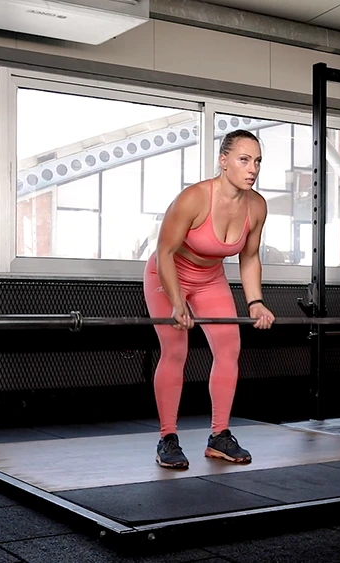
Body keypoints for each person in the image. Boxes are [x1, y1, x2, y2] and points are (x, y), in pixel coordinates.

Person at [144, 129, 275, 469]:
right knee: (176, 350)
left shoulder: (257, 206)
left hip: (210, 279)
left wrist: (255, 302)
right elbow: (165, 251)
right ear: (223, 161)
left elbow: (248, 257)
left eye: (257, 161)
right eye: (244, 159)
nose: (253, 168)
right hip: (166, 273)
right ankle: (167, 438)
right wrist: (176, 302)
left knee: (229, 347)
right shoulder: (194, 198)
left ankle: (219, 436)